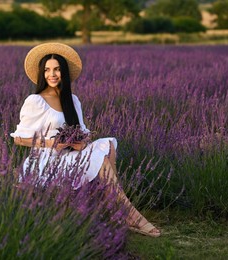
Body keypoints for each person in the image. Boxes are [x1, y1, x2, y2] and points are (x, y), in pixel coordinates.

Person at [10, 43, 160, 237]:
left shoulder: (72, 100)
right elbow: (20, 139)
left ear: (64, 72)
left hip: (71, 154)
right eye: (47, 70)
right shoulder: (35, 100)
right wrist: (50, 143)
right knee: (102, 161)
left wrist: (80, 142)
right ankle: (129, 215)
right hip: (46, 160)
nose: (52, 74)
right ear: (41, 74)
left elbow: (82, 132)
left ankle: (115, 207)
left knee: (108, 145)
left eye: (57, 69)